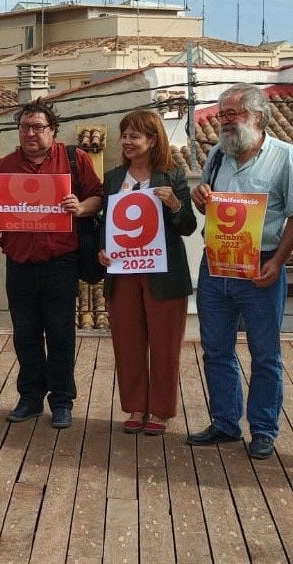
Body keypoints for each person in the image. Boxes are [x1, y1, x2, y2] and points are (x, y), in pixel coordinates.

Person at [187, 84, 293, 460]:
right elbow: (210, 208)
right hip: (217, 264)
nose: (224, 122)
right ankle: (225, 423)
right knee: (216, 349)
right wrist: (199, 199)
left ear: (257, 117)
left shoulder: (288, 157)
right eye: (222, 115)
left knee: (265, 353)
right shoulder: (217, 156)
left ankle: (263, 429)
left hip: (261, 264)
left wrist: (278, 263)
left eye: (232, 114)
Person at [0, 100, 103, 429]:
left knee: (61, 334)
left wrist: (80, 207)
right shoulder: (4, 167)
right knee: (25, 335)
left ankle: (62, 401)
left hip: (60, 262)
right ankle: (30, 397)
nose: (30, 133)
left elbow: (99, 197)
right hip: (20, 262)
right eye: (24, 127)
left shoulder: (75, 159)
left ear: (52, 130)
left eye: (37, 127)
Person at [97, 109, 197, 436]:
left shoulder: (172, 175)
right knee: (127, 342)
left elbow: (188, 227)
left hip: (164, 275)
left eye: (134, 136)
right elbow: (105, 223)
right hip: (122, 272)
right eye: (124, 135)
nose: (127, 141)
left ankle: (161, 410)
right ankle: (136, 406)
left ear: (152, 140)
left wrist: (175, 205)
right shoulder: (113, 178)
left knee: (165, 345)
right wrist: (102, 249)